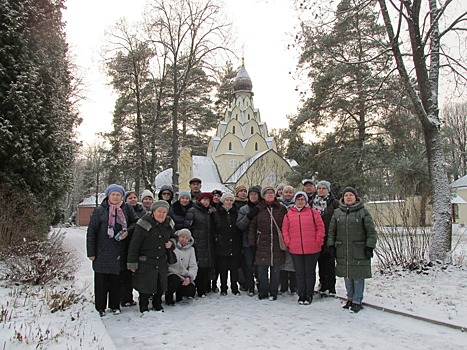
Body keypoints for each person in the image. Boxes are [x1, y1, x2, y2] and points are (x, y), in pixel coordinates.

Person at [86, 184, 138, 317]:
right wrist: (91, 252)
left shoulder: (127, 208)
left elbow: (135, 223)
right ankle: (100, 307)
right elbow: (92, 231)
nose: (115, 197)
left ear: (122, 196)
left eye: (118, 195)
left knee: (116, 281)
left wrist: (127, 232)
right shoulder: (100, 210)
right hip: (102, 251)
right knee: (101, 281)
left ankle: (115, 306)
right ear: (108, 196)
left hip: (119, 250)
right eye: (113, 194)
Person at [328, 187, 377, 313]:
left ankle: (357, 300)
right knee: (347, 275)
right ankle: (349, 297)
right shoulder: (338, 213)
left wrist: (369, 246)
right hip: (343, 249)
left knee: (358, 276)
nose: (348, 197)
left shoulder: (362, 212)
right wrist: (331, 245)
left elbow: (371, 231)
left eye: (351, 195)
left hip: (358, 249)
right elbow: (332, 231)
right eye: (346, 195)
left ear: (355, 197)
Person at [127, 200, 178, 314]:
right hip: (146, 260)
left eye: (164, 212)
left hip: (161, 260)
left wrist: (171, 243)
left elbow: (175, 236)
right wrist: (132, 262)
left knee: (160, 284)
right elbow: (134, 244)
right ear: (153, 212)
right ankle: (143, 306)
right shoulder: (144, 223)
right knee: (145, 285)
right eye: (159, 211)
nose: (161, 214)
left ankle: (157, 304)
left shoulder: (169, 223)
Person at [282, 191, 325, 305]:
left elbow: (320, 228)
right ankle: (301, 295)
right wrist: (288, 242)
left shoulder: (313, 212)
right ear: (295, 201)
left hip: (312, 248)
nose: (300, 201)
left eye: (302, 199)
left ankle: (309, 294)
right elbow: (285, 229)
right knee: (299, 273)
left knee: (309, 273)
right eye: (298, 199)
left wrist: (318, 242)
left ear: (306, 201)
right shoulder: (289, 214)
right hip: (295, 249)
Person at [248, 186, 287, 301]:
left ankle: (273, 292)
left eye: (271, 193)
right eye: (267, 193)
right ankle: (263, 291)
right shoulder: (259, 208)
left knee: (275, 270)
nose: (270, 194)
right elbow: (252, 227)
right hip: (262, 243)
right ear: (263, 195)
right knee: (262, 270)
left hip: (276, 244)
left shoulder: (281, 208)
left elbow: (286, 225)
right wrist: (252, 242)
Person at [184, 192, 218, 297]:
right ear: (200, 200)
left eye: (208, 200)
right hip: (197, 243)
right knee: (197, 267)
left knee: (206, 268)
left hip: (208, 244)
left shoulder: (210, 212)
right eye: (204, 200)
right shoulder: (193, 211)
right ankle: (195, 290)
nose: (206, 202)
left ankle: (203, 289)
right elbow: (187, 227)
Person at [312, 180, 340, 296]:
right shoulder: (312, 203)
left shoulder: (334, 203)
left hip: (329, 236)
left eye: (324, 188)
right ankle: (323, 285)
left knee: (329, 262)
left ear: (328, 190)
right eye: (319, 188)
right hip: (316, 237)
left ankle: (331, 286)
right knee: (320, 262)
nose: (321, 190)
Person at [237, 185, 262, 296]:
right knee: (248, 265)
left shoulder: (263, 207)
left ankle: (262, 285)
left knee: (261, 266)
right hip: (247, 242)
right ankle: (250, 287)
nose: (253, 196)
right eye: (251, 194)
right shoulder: (244, 209)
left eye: (255, 194)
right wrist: (249, 216)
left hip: (261, 242)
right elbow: (240, 225)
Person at [215, 192, 242, 295]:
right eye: (227, 200)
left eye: (231, 200)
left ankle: (235, 288)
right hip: (222, 244)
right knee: (223, 269)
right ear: (223, 201)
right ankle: (223, 288)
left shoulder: (236, 213)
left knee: (234, 269)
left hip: (234, 244)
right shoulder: (218, 212)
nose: (229, 202)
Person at [166, 229, 198, 305]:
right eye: (182, 237)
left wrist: (189, 277)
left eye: (187, 238)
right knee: (174, 280)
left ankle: (180, 294)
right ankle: (169, 295)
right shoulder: (172, 247)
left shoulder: (191, 250)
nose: (184, 239)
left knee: (190, 290)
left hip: (184, 274)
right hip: (172, 273)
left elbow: (193, 266)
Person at [278, 185, 297, 295]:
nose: (288, 194)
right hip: (281, 236)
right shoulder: (278, 205)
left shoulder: (297, 205)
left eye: (290, 192)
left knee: (294, 262)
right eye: (286, 192)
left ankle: (294, 286)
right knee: (282, 261)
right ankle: (283, 285)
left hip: (294, 237)